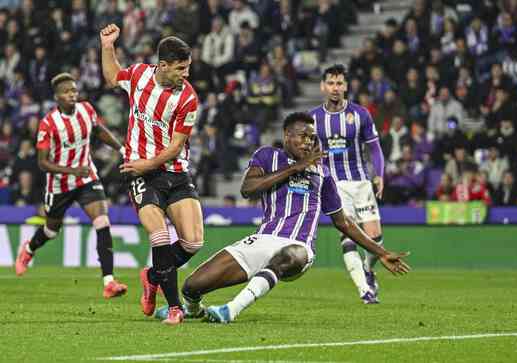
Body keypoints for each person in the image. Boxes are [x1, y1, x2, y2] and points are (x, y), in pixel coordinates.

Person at [154, 113, 410, 324]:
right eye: (303, 136)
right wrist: (294, 168)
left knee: (291, 255)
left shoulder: (323, 174)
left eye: (312, 138)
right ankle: (193, 310)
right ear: (287, 136)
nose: (309, 142)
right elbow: (248, 189)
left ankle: (230, 310)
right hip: (263, 238)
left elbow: (343, 222)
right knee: (191, 286)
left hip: (299, 246)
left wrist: (381, 251)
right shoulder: (267, 156)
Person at [100, 24, 204, 325]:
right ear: (163, 65)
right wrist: (107, 46)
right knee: (160, 236)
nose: (186, 74)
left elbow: (175, 147)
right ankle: (174, 308)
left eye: (188, 67)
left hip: (174, 172)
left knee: (193, 242)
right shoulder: (139, 76)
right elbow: (112, 76)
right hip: (140, 175)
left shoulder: (187, 99)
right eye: (181, 68)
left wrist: (148, 163)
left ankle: (152, 275)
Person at [14, 72, 128, 299]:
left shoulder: (87, 110)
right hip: (60, 184)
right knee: (51, 230)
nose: (72, 95)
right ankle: (28, 249)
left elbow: (99, 131)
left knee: (102, 221)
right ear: (57, 97)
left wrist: (122, 149)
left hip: (87, 178)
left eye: (74, 90)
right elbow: (43, 163)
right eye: (67, 92)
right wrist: (73, 171)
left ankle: (109, 281)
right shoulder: (49, 123)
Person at [308, 65, 387, 304]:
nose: (335, 88)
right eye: (331, 83)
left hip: (361, 183)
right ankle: (365, 291)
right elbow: (307, 152)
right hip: (334, 186)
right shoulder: (313, 118)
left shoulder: (361, 114)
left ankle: (368, 270)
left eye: (340, 83)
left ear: (346, 86)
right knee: (348, 236)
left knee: (375, 238)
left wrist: (380, 174)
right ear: (323, 86)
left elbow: (374, 147)